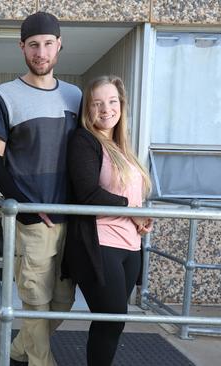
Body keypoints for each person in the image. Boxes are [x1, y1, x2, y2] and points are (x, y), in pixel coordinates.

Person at [0, 11, 82, 366]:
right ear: (22, 47)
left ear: (59, 46)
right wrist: (24, 206)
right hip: (32, 221)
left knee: (62, 301)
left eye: (48, 44)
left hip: (72, 216)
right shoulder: (5, 94)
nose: (41, 52)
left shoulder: (75, 96)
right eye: (33, 45)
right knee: (35, 299)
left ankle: (20, 347)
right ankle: (41, 361)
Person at [62, 75, 152, 366]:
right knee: (111, 319)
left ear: (121, 105)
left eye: (112, 101)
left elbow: (131, 197)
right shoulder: (84, 140)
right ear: (88, 109)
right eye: (97, 103)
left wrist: (141, 217)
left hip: (131, 245)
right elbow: (87, 194)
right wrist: (130, 209)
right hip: (100, 243)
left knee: (114, 322)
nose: (106, 109)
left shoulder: (123, 148)